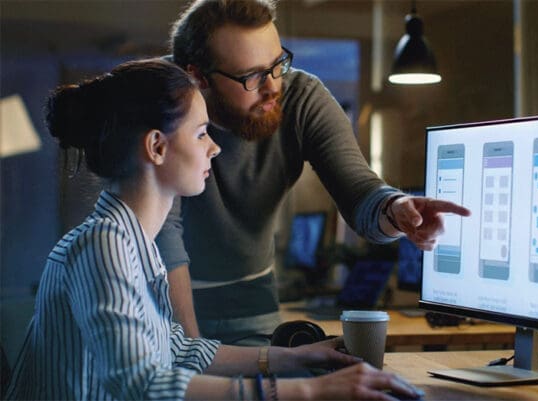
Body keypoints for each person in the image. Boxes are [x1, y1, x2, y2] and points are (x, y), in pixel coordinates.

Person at [4, 58, 422, 401]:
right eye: (202, 133)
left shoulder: (131, 241)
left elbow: (179, 350)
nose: (215, 147)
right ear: (157, 147)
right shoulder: (104, 245)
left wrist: (297, 358)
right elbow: (141, 384)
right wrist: (312, 391)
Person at [158, 0, 471, 343]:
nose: (273, 86)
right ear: (197, 76)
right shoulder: (156, 100)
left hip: (252, 300)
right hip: (164, 299)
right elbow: (165, 232)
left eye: (278, 64)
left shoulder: (302, 98)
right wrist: (188, 348)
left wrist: (395, 210)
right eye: (252, 76)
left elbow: (358, 190)